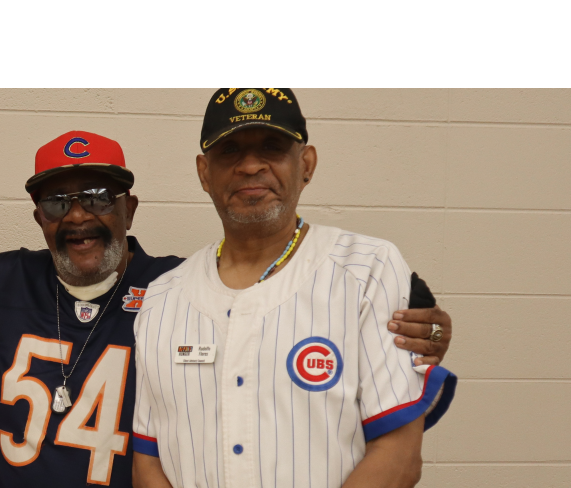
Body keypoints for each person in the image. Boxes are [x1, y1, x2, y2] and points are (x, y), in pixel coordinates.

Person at [0, 128, 454, 488]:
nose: (78, 215)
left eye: (99, 198)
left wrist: (431, 332)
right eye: (57, 203)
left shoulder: (174, 288)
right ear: (39, 217)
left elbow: (381, 299)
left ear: (130, 209)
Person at [132, 88, 458, 488]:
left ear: (306, 164)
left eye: (272, 146)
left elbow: (399, 458)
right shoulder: (163, 296)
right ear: (204, 172)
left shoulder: (369, 270)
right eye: (230, 151)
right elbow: (149, 463)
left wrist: (439, 331)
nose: (250, 166)